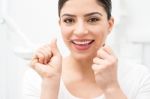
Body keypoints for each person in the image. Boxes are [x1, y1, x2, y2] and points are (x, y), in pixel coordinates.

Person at [22, 0, 150, 99]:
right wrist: (50, 84)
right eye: (69, 20)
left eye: (93, 19)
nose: (80, 31)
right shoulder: (38, 78)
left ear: (109, 25)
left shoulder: (139, 78)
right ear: (60, 24)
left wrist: (112, 88)